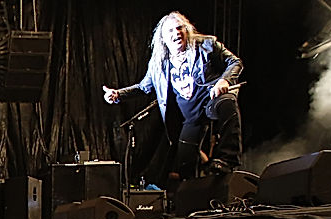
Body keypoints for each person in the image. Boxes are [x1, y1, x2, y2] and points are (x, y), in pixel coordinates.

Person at [103, 11, 243, 178]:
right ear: (163, 38)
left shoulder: (206, 45)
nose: (176, 33)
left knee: (227, 102)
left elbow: (235, 62)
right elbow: (143, 87)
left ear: (187, 30)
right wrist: (118, 94)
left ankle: (228, 159)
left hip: (211, 100)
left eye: (180, 28)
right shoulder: (158, 64)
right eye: (170, 31)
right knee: (185, 163)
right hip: (190, 118)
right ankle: (194, 195)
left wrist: (225, 81)